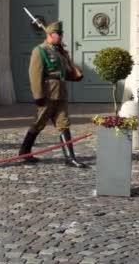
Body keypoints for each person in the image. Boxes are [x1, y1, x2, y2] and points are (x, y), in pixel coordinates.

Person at [18, 20, 86, 168]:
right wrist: (38, 95)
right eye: (58, 34)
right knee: (38, 124)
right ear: (50, 34)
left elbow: (65, 73)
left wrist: (69, 62)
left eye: (61, 34)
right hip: (47, 94)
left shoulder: (60, 52)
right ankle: (24, 151)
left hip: (61, 92)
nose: (61, 36)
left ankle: (70, 157)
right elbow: (35, 74)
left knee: (64, 124)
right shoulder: (40, 50)